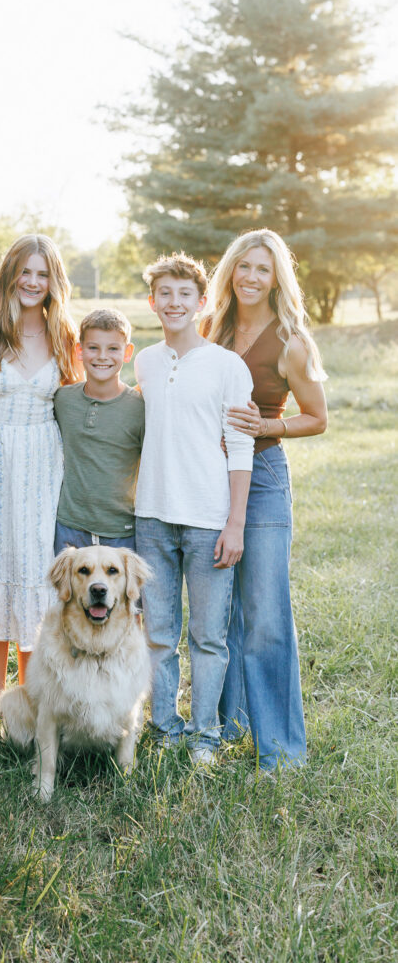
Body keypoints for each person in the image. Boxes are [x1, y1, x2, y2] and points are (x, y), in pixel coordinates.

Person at [204, 228, 327, 770]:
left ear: (277, 277)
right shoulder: (211, 328)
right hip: (209, 477)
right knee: (219, 610)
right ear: (231, 270)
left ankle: (281, 750)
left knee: (266, 613)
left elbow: (318, 417)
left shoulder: (292, 339)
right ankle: (230, 723)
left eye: (263, 269)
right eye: (244, 266)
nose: (251, 277)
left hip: (265, 479)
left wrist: (267, 424)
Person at [0, 234, 80, 727]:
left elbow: (78, 403)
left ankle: (30, 701)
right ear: (9, 276)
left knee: (33, 573)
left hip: (44, 464)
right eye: (24, 271)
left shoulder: (66, 337)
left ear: (53, 283)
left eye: (42, 273)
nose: (32, 281)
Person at [134, 253, 254, 767]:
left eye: (185, 294)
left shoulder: (227, 366)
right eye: (165, 293)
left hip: (209, 519)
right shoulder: (144, 361)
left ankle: (206, 733)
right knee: (159, 635)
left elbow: (241, 447)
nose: (174, 302)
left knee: (208, 637)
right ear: (152, 301)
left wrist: (235, 523)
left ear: (201, 302)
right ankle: (166, 728)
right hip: (152, 516)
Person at [53, 307, 145, 554]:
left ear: (127, 353)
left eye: (113, 348)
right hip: (69, 527)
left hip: (120, 531)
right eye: (93, 348)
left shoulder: (139, 407)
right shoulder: (63, 399)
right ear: (80, 351)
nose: (102, 356)